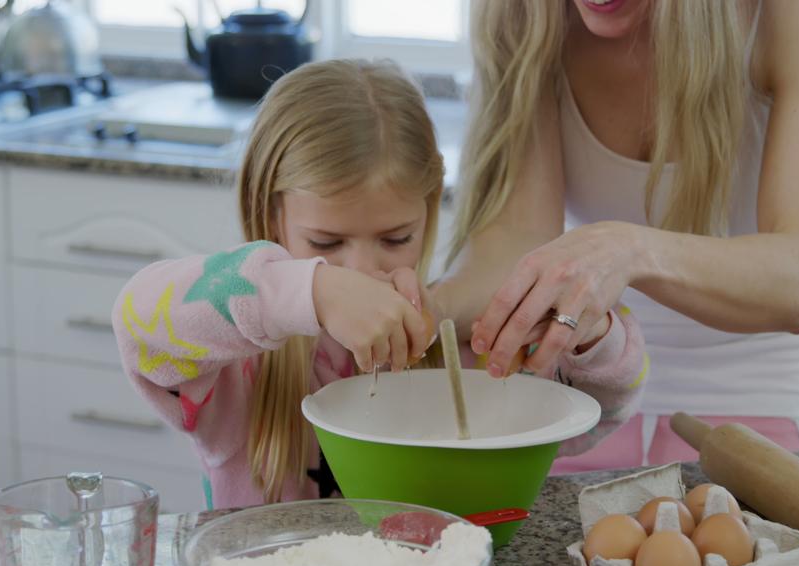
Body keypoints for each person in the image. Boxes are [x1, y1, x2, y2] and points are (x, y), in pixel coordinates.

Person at [111, 59, 646, 507]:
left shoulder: (455, 346)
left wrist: (593, 337)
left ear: (429, 208)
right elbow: (139, 320)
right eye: (326, 243)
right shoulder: (238, 368)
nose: (362, 272)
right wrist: (312, 292)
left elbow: (587, 424)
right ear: (272, 217)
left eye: (395, 239)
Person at [435, 0, 799, 471]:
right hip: (596, 391)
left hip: (766, 392)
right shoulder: (526, 13)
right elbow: (515, 247)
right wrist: (423, 311)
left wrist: (630, 249)